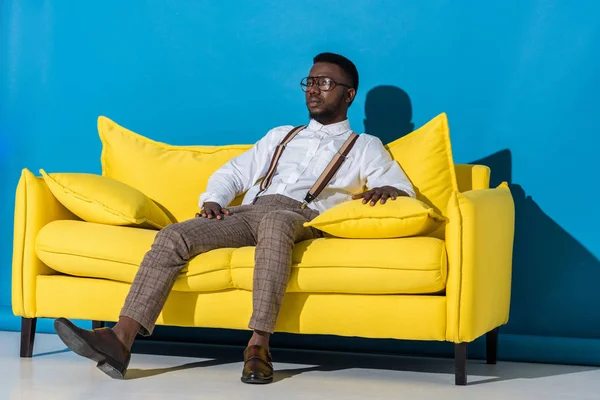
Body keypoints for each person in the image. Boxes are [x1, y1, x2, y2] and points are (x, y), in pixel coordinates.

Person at [53, 52, 416, 384]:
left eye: (325, 83)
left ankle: (258, 346)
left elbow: (400, 186)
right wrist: (214, 199)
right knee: (174, 235)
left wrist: (389, 191)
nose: (314, 90)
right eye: (310, 82)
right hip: (250, 212)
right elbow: (234, 173)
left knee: (275, 223)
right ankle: (120, 339)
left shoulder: (364, 145)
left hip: (301, 217)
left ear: (348, 95)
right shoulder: (281, 135)